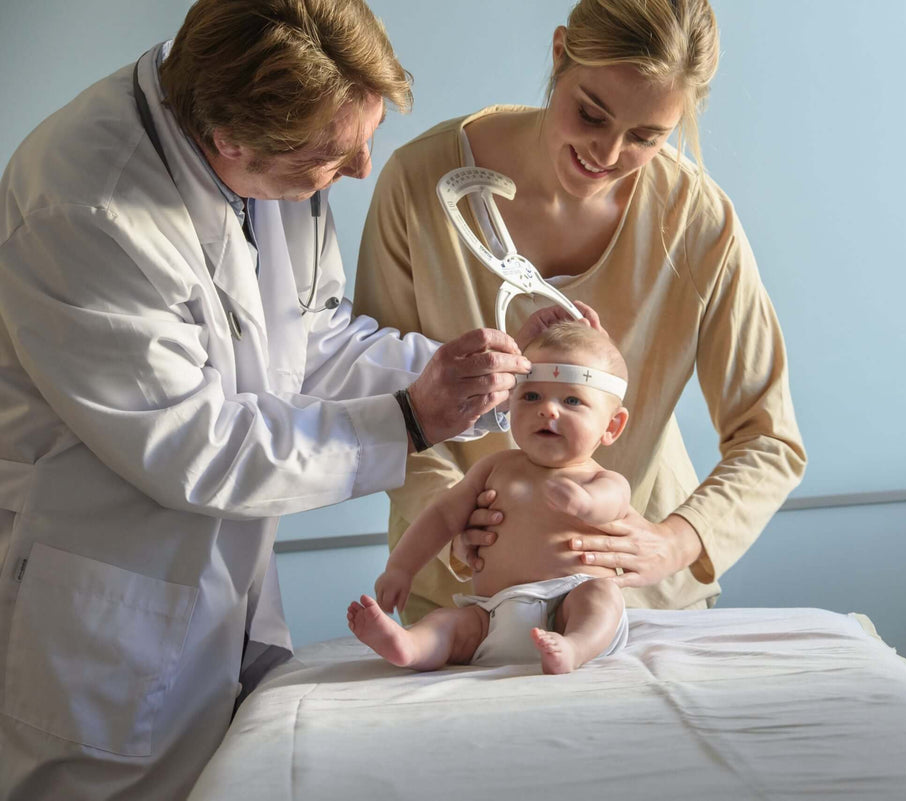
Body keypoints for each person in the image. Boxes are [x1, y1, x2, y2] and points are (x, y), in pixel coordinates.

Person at [0, 1, 572, 798]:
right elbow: (195, 446)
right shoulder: (87, 210)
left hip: (221, 596)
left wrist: (463, 379)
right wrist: (410, 418)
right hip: (106, 621)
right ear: (230, 142)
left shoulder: (268, 156)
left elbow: (309, 341)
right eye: (337, 156)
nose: (365, 169)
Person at [355, 0, 807, 626]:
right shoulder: (421, 183)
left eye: (647, 137)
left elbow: (769, 438)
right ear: (560, 51)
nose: (607, 152)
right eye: (591, 114)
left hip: (639, 607)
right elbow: (385, 402)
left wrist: (676, 541)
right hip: (463, 601)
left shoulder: (697, 221)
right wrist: (458, 525)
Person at [348, 322, 632, 675]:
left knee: (602, 597)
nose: (548, 410)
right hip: (493, 612)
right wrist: (401, 568)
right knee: (450, 623)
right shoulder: (493, 468)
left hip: (568, 605)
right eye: (531, 396)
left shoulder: (601, 480)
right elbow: (441, 518)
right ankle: (410, 645)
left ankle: (575, 648)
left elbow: (612, 503)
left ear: (612, 427)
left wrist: (584, 503)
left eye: (571, 400)